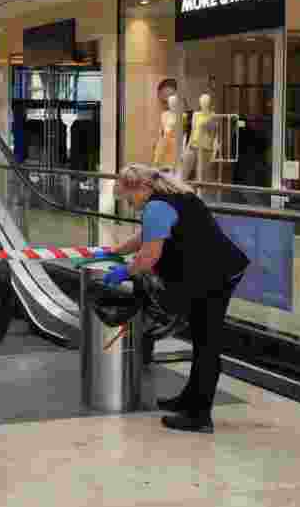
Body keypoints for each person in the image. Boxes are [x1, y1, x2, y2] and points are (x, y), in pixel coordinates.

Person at [102, 163, 249, 433]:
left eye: (128, 197)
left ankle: (198, 415)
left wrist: (125, 270)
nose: (129, 204)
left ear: (141, 188)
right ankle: (189, 399)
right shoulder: (173, 196)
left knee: (207, 343)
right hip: (213, 271)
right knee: (201, 339)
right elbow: (148, 234)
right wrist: (115, 251)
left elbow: (149, 256)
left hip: (213, 276)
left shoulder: (157, 207)